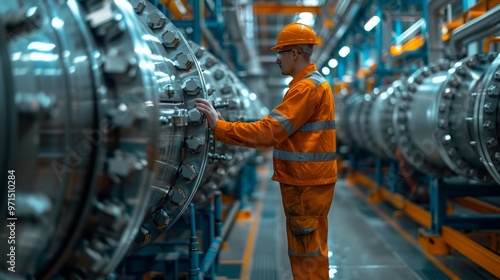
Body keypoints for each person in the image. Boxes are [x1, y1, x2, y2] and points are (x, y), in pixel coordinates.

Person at [195, 22, 337, 280]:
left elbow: (269, 132)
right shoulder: (308, 85)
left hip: (304, 184)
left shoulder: (306, 88)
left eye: (281, 53)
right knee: (309, 250)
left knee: (307, 254)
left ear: (295, 53)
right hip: (307, 181)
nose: (277, 59)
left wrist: (221, 127)